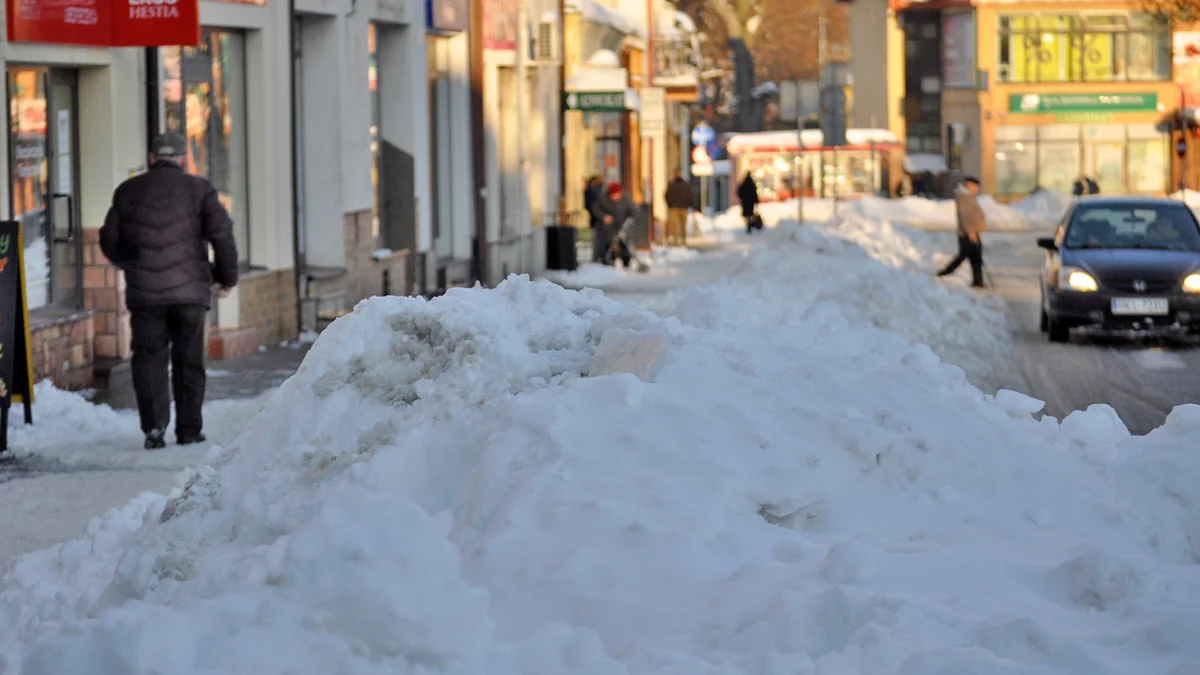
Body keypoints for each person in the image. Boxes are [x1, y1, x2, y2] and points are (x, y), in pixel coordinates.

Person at [100, 132, 239, 450]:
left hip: (146, 295)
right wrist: (225, 278)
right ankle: (189, 429)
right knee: (189, 360)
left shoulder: (127, 191)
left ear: (151, 158)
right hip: (191, 294)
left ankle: (154, 429)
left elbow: (109, 238)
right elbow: (223, 236)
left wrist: (131, 265)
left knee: (148, 359)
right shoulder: (200, 189)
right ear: (183, 158)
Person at [936, 176, 988, 288]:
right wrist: (970, 232)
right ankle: (943, 274)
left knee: (976, 257)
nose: (977, 189)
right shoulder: (963, 197)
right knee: (963, 256)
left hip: (972, 231)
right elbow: (964, 216)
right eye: (975, 187)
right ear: (969, 184)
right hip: (968, 232)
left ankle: (978, 281)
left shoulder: (968, 196)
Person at [590, 182, 634, 268]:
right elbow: (595, 209)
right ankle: (607, 262)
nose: (615, 197)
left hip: (622, 226)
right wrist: (603, 217)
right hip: (608, 228)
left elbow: (631, 212)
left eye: (617, 195)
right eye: (613, 195)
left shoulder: (626, 199)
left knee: (623, 246)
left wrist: (628, 221)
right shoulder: (602, 198)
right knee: (609, 244)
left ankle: (626, 263)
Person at [664, 170, 694, 247]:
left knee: (683, 226)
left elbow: (690, 196)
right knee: (675, 226)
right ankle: (676, 242)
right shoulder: (671, 184)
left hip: (683, 207)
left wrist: (688, 204)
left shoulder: (685, 185)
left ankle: (683, 241)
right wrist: (670, 204)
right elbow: (667, 195)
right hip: (674, 207)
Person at [583, 176, 605, 262]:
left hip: (596, 219)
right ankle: (599, 256)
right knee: (598, 237)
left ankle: (599, 256)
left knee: (597, 238)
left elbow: (591, 206)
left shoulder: (592, 191)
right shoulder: (598, 191)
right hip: (597, 218)